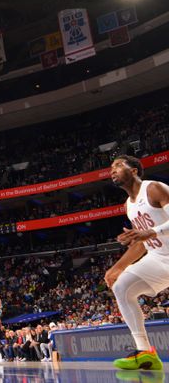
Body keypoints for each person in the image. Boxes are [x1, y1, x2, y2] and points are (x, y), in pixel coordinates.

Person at [104, 155, 169, 370]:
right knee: (121, 286)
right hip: (159, 259)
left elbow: (149, 233)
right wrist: (117, 267)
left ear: (134, 171)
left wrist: (151, 231)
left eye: (118, 165)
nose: (112, 170)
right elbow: (142, 243)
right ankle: (145, 352)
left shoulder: (154, 189)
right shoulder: (128, 206)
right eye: (111, 167)